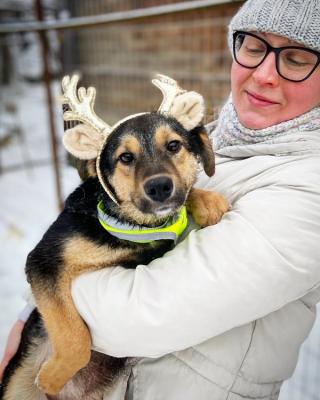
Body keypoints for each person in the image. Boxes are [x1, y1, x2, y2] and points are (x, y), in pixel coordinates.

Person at [1, 0, 320, 398]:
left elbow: (136, 318)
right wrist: (34, 308)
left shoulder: (310, 190)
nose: (265, 74)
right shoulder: (217, 137)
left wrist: (48, 293)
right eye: (254, 48)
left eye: (296, 58)